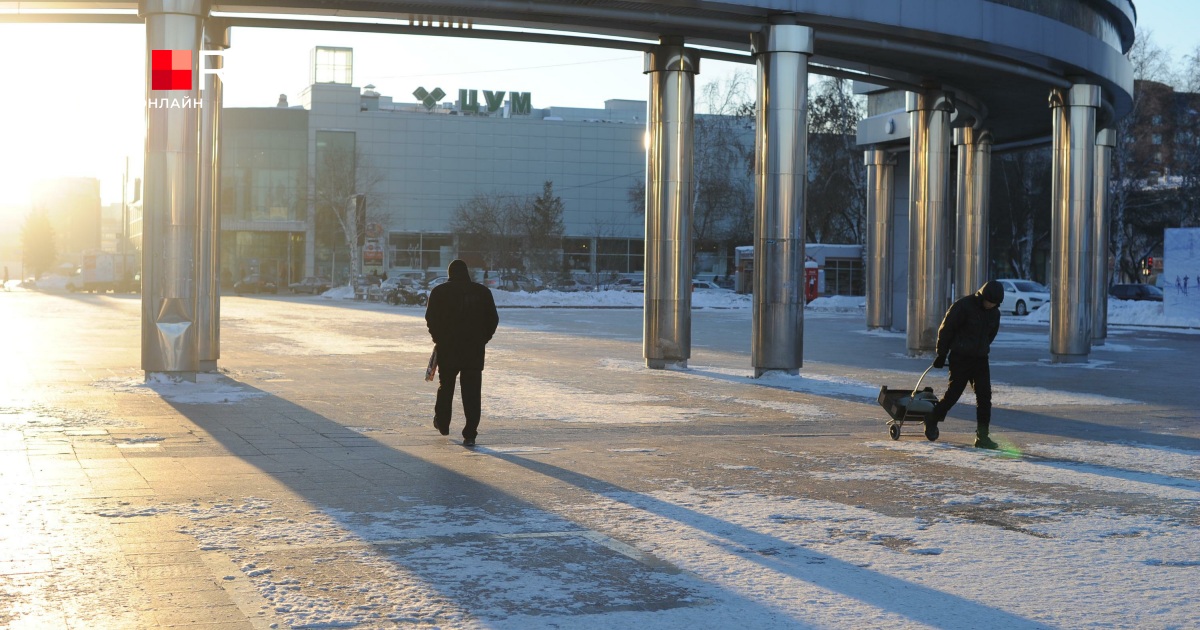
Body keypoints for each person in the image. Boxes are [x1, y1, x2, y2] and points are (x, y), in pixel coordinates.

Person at [424, 259, 499, 446]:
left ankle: (442, 423)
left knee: (446, 386)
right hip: (474, 351)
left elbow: (431, 319)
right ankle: (470, 432)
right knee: (472, 392)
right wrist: (482, 339)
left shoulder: (439, 292)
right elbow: (493, 320)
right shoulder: (482, 292)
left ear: (450, 273)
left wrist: (438, 339)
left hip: (448, 349)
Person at [926, 280, 1004, 449]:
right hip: (960, 358)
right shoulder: (963, 306)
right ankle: (932, 419)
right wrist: (941, 354)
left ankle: (982, 437)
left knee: (985, 398)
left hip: (980, 359)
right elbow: (946, 329)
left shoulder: (995, 313)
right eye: (989, 302)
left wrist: (981, 347)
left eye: (995, 304)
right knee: (954, 394)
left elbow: (991, 335)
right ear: (983, 296)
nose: (991, 306)